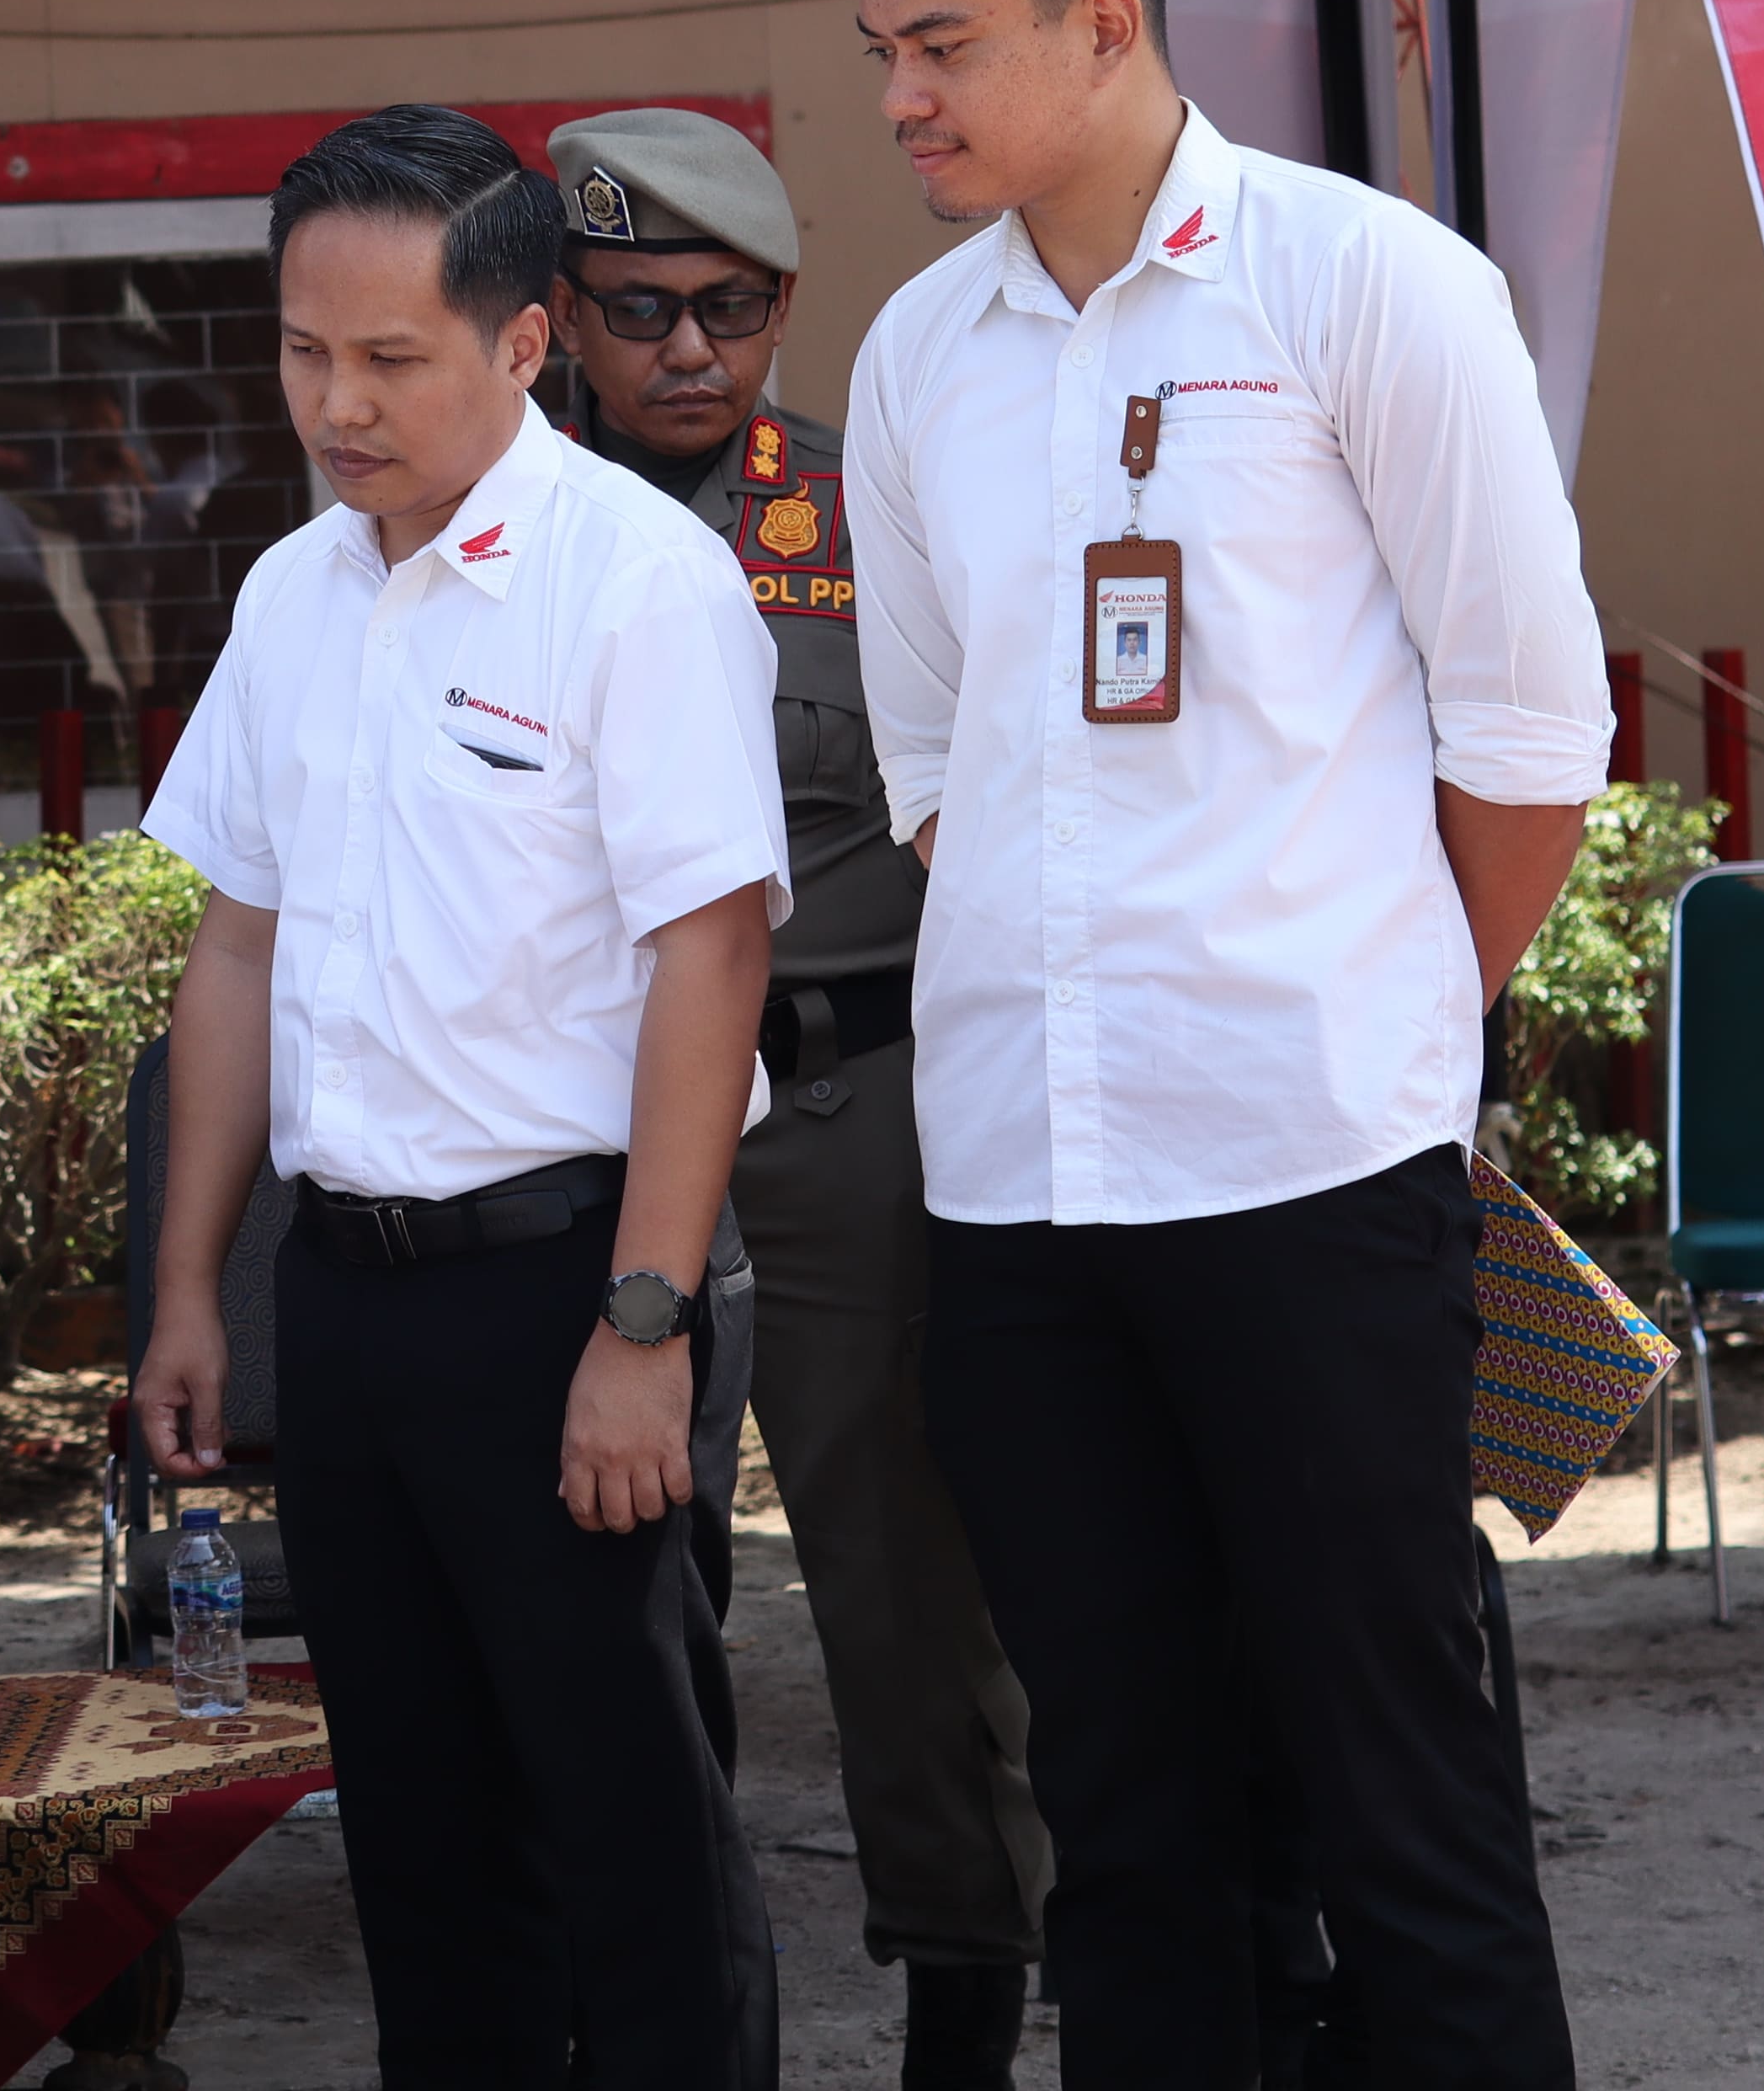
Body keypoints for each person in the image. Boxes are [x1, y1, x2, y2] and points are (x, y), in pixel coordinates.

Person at [825, 0, 1603, 2088]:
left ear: (1106, 23)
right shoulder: (914, 358)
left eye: (940, 41)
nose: (898, 101)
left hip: (1314, 1174)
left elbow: (1527, 742)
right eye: (880, 46)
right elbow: (944, 770)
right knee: (1128, 1810)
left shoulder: (1370, 287)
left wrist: (1378, 1024)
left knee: (1403, 1791)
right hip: (1023, 1196)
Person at [133, 103, 787, 2091]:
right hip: (348, 1294)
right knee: (417, 1836)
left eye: (392, 357)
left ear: (524, 340)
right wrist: (188, 1285)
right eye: (303, 350)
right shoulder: (292, 594)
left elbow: (713, 955)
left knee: (632, 1835)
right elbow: (236, 947)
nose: (339, 402)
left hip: (572, 1282)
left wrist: (643, 1323)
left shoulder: (634, 587)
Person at [549, 105, 1047, 2088]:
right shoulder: (488, 529)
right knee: (615, 1598)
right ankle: (659, 2006)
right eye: (642, 309)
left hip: (852, 1116)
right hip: (585, 1141)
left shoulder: (878, 510)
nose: (689, 350)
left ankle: (959, 2007)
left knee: (915, 1594)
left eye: (734, 310)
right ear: (562, 317)